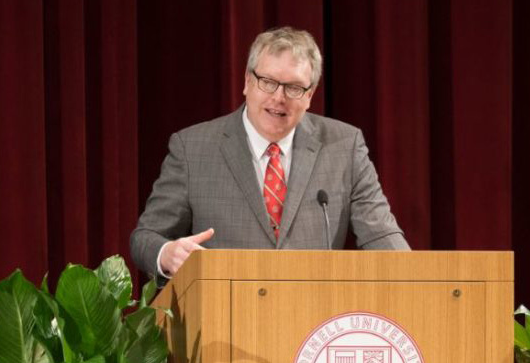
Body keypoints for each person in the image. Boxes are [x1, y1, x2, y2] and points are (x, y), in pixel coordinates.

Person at [130, 26, 409, 280]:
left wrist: (420, 282)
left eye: (294, 88)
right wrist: (167, 253)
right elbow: (146, 236)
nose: (279, 97)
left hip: (314, 322)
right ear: (247, 82)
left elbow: (382, 235)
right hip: (223, 317)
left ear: (310, 95)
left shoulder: (344, 146)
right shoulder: (193, 148)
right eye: (268, 82)